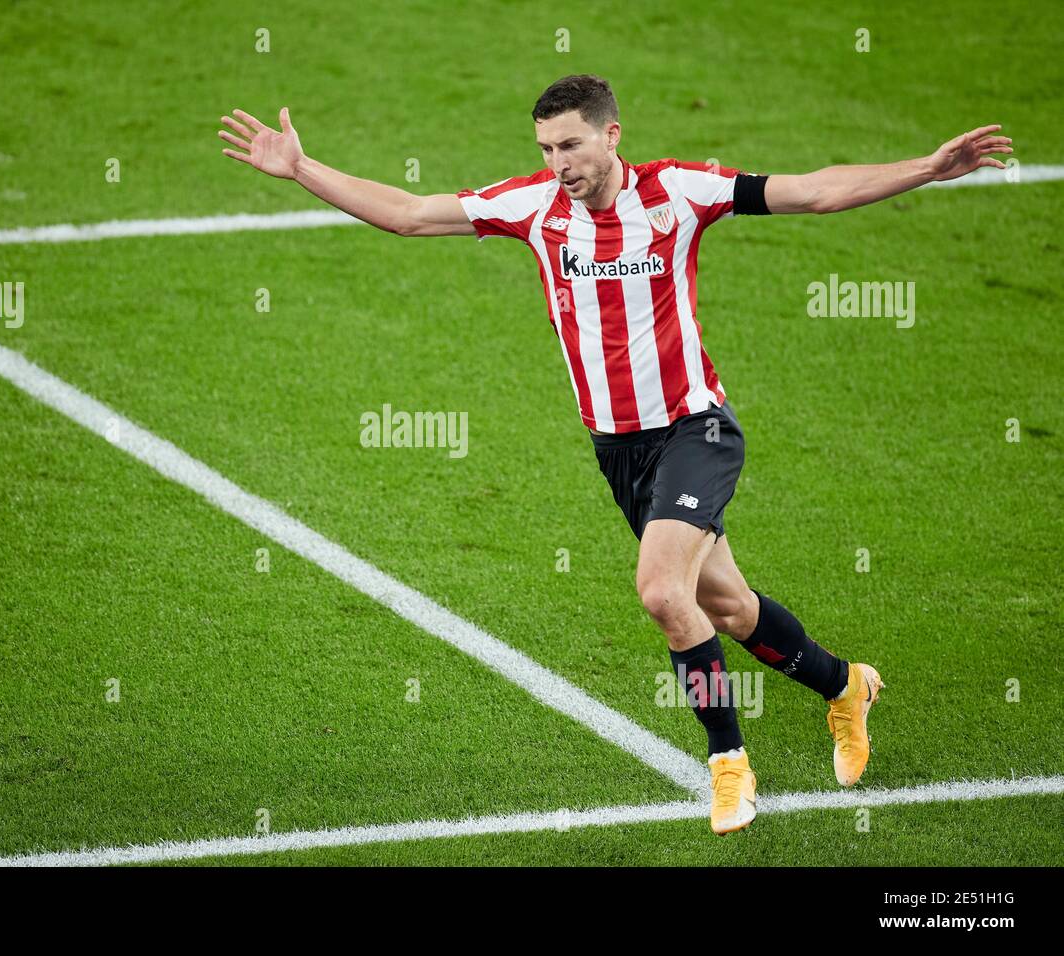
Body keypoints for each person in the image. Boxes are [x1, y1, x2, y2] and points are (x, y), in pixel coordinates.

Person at [218, 73, 1011, 834]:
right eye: (546, 149)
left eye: (570, 146)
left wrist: (929, 169)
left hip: (696, 429)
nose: (558, 165)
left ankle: (728, 762)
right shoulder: (532, 207)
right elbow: (409, 213)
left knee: (664, 594)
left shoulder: (678, 193)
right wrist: (302, 169)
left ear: (611, 135)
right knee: (728, 608)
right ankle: (846, 686)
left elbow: (813, 190)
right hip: (619, 452)